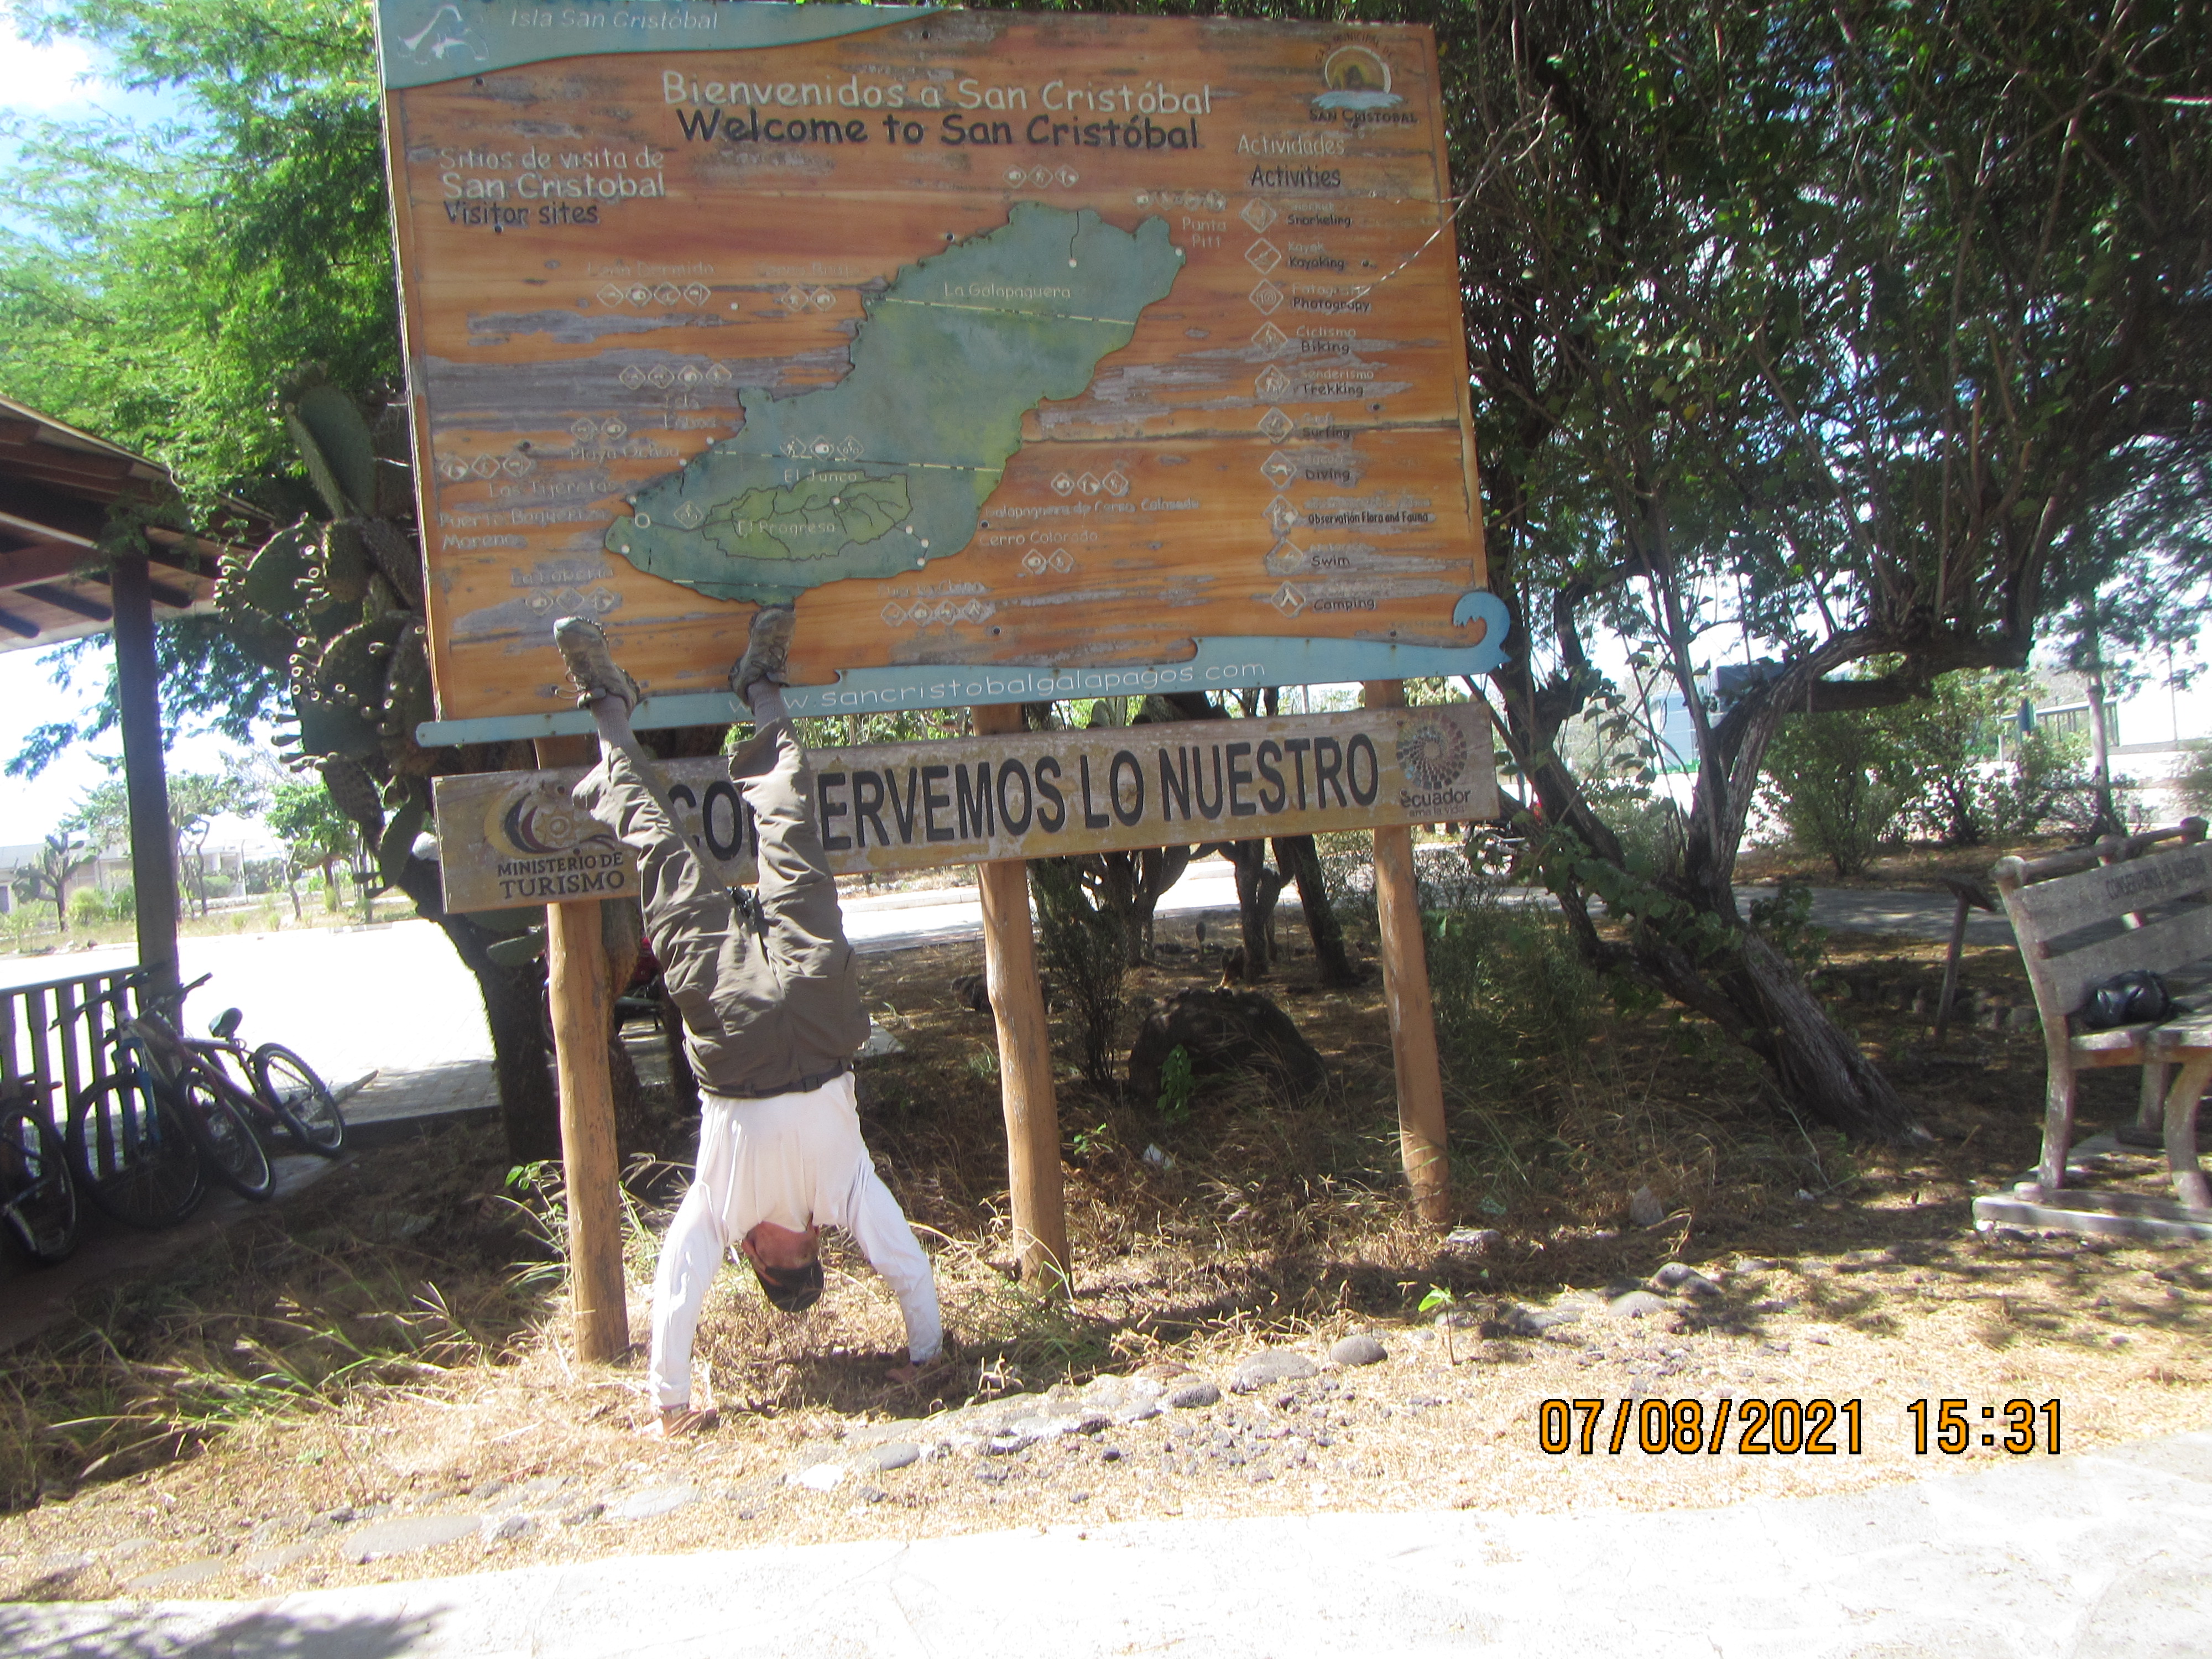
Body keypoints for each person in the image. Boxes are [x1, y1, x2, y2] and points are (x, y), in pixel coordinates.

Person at [554, 609, 943, 1437]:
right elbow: (682, 1284)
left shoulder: (798, 1202)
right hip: (782, 1029)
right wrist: (670, 1404)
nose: (770, 1244)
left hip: (778, 1030)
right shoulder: (780, 1205)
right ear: (771, 1259)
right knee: (730, 845)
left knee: (724, 843)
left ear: (791, 1254)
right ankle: (696, 697)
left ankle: (673, 697)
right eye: (774, 1255)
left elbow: (905, 1268)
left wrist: (927, 1352)